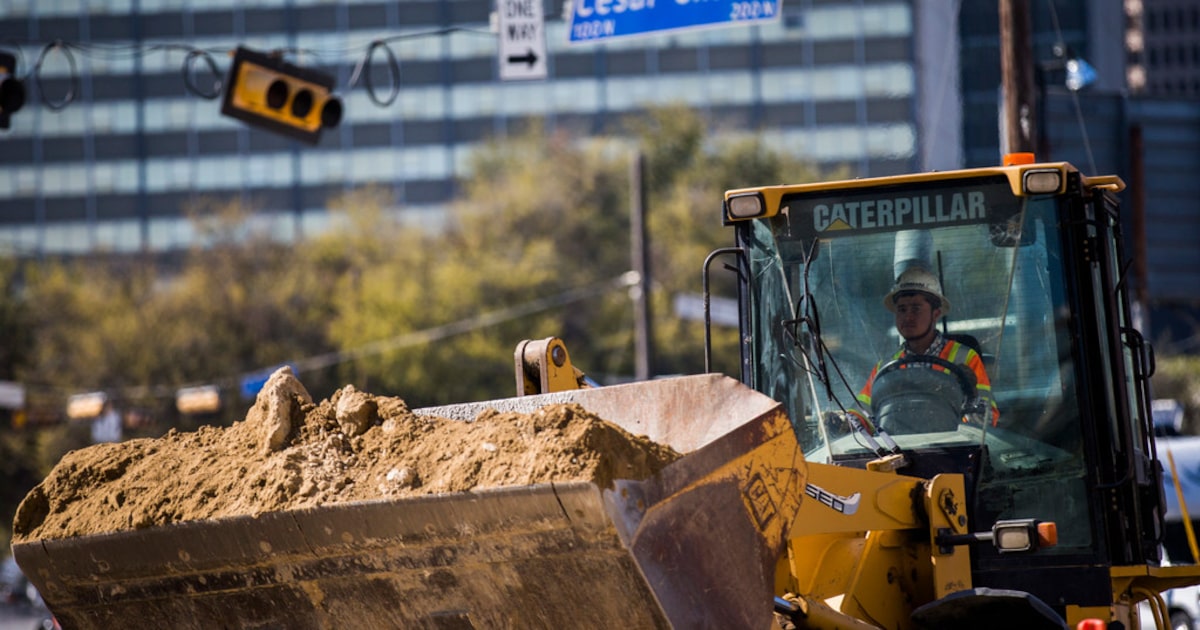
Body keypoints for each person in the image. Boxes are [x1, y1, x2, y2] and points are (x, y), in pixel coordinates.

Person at [848, 266, 999, 435]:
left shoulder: (965, 358)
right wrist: (842, 422)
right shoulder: (886, 369)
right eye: (902, 309)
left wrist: (971, 397)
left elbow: (986, 421)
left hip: (955, 453)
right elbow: (863, 414)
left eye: (916, 309)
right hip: (899, 454)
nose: (908, 317)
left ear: (936, 313)